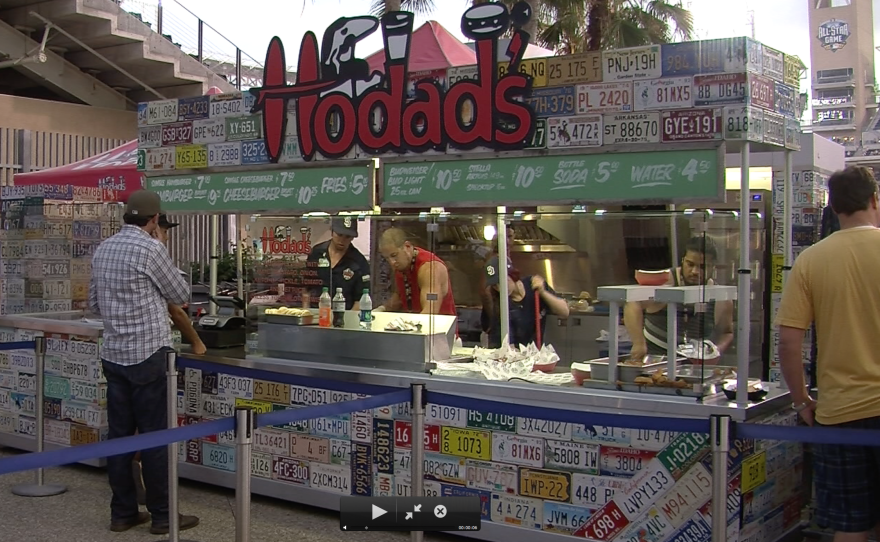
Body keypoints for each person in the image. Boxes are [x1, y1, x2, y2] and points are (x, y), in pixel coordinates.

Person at [776, 165, 880, 540]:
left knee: (851, 525)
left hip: (839, 414)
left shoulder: (811, 261)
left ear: (834, 208)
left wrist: (802, 399)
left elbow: (788, 343)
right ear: (874, 200)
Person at [88, 190, 199, 535]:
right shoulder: (151, 248)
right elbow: (181, 295)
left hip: (114, 355)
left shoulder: (104, 248)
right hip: (149, 355)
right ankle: (163, 515)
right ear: (153, 220)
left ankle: (122, 512)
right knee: (155, 437)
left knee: (120, 436)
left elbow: (94, 304)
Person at [623, 236, 734, 359]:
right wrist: (638, 343)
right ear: (683, 260)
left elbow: (727, 332)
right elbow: (632, 303)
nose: (694, 271)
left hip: (693, 367)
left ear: (713, 267)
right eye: (690, 264)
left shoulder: (720, 298)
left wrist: (717, 350)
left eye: (702, 267)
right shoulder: (665, 281)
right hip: (656, 363)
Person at [480, 256, 569, 348]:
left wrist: (543, 293)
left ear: (511, 274)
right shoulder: (501, 306)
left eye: (501, 282)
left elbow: (564, 312)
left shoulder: (533, 285)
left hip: (538, 354)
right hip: (518, 358)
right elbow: (506, 347)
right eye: (495, 285)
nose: (499, 288)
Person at [151, 214, 207, 356]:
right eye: (164, 232)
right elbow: (178, 307)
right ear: (154, 231)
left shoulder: (109, 250)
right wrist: (197, 342)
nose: (167, 237)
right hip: (151, 350)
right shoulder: (155, 260)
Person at [376, 227, 456, 316]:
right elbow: (400, 297)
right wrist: (382, 309)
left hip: (438, 327)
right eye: (387, 258)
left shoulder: (429, 269)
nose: (392, 262)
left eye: (394, 255)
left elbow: (430, 312)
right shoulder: (402, 265)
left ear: (407, 246)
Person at [306, 216, 370, 310]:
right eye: (339, 235)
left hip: (344, 315)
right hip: (316, 313)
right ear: (332, 232)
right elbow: (306, 289)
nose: (342, 240)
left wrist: (349, 320)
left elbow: (360, 299)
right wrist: (305, 312)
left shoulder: (359, 262)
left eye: (347, 237)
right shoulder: (316, 253)